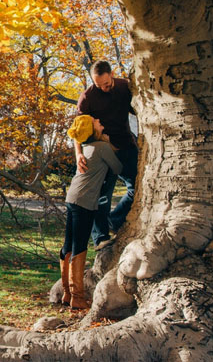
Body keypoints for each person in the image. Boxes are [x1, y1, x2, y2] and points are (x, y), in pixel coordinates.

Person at [60, 114, 122, 309]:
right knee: (79, 246)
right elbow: (118, 167)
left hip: (72, 197)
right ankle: (77, 297)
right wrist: (109, 144)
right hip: (85, 201)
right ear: (92, 129)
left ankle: (67, 294)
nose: (100, 122)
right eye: (97, 122)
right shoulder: (101, 147)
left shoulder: (86, 148)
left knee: (68, 245)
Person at [75, 60, 138, 250]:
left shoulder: (124, 87)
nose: (103, 88)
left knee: (136, 188)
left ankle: (114, 220)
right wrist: (78, 155)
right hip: (102, 150)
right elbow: (77, 130)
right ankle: (100, 237)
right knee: (100, 196)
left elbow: (139, 111)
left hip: (126, 146)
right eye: (98, 85)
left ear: (112, 75)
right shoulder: (87, 98)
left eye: (106, 84)